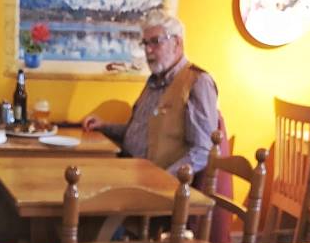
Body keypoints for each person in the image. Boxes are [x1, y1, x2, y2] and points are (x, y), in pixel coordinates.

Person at [82, 10, 218, 177]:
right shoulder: (154, 81)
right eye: (145, 43)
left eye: (155, 42)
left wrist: (164, 178)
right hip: (127, 169)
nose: (148, 50)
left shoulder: (198, 82)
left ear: (177, 43)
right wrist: (104, 126)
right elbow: (140, 132)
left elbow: (203, 150)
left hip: (157, 184)